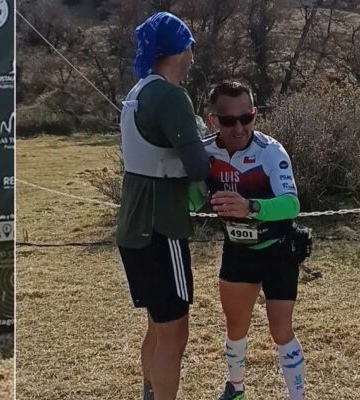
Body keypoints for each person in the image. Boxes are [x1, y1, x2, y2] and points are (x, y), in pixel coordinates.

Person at [116, 11, 211, 400]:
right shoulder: (171, 95)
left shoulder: (139, 91)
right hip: (162, 227)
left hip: (134, 225)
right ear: (179, 50)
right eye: (189, 47)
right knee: (174, 332)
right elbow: (197, 165)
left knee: (157, 327)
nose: (191, 56)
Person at [194, 81, 309, 400]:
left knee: (281, 330)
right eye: (229, 121)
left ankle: (297, 397)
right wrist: (186, 181)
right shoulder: (205, 153)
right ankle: (237, 390)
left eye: (247, 117)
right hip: (238, 251)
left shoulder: (270, 151)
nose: (240, 128)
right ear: (213, 120)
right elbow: (192, 201)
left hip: (278, 250)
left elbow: (291, 203)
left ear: (255, 114)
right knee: (235, 326)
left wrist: (251, 207)